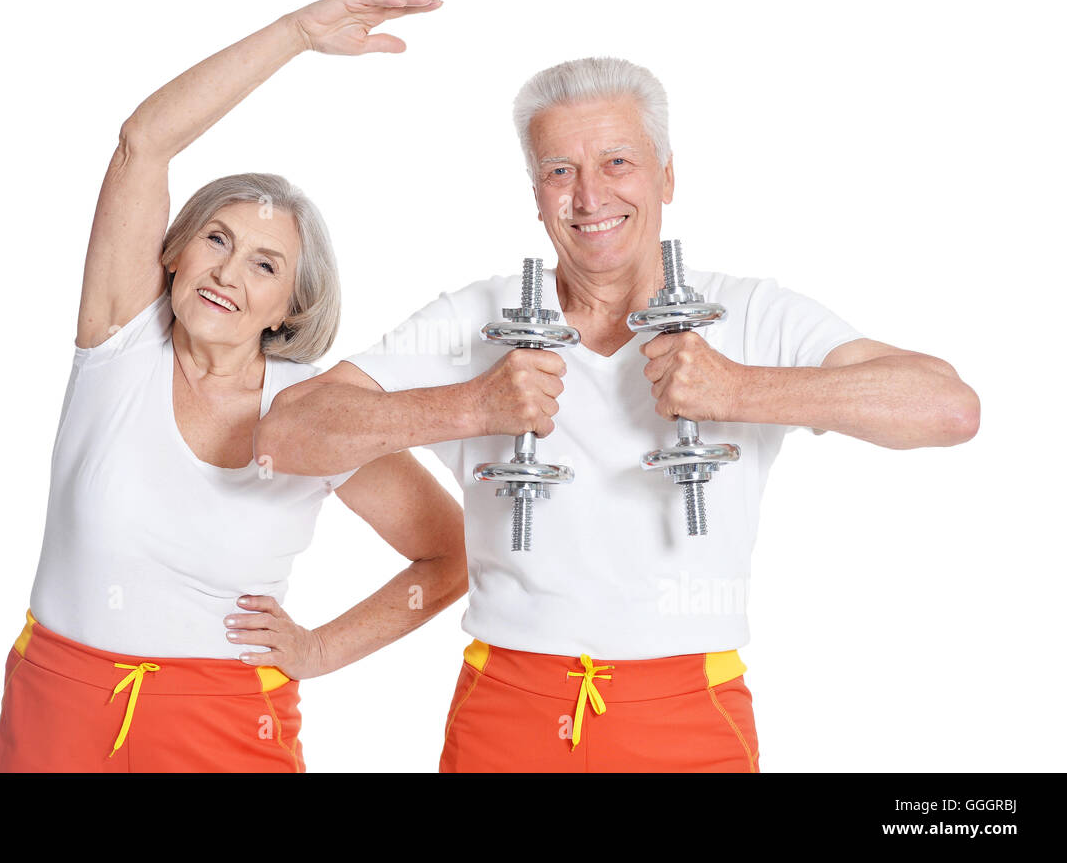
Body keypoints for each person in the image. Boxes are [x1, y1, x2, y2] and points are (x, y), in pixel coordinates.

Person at [254, 55, 981, 772]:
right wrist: (472, 403)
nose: (589, 196)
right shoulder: (476, 317)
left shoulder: (752, 314)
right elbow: (289, 431)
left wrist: (738, 390)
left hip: (689, 715)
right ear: (535, 194)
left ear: (667, 175)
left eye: (617, 162)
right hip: (507, 713)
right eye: (560, 171)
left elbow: (947, 408)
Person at [0, 0, 466, 773]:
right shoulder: (119, 340)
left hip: (226, 721)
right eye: (216, 237)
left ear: (290, 304)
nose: (226, 273)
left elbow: (449, 555)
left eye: (265, 263)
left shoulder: (315, 411)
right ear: (174, 252)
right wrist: (294, 35)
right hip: (59, 705)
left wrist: (318, 649)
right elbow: (144, 141)